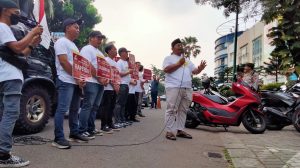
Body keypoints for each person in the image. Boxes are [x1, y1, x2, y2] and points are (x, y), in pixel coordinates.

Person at [0, 0, 43, 167]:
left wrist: (32, 44)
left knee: (4, 115)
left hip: (6, 76)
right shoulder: (3, 27)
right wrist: (32, 33)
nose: (18, 17)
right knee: (10, 114)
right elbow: (18, 48)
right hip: (9, 77)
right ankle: (3, 155)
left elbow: (20, 56)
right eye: (16, 13)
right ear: (5, 11)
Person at [52, 18, 89, 149]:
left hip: (75, 82)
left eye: (78, 28)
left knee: (74, 109)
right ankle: (58, 138)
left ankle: (74, 133)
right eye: (75, 27)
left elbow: (77, 66)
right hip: (65, 80)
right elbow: (63, 62)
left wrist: (81, 79)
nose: (78, 30)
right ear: (67, 28)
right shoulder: (61, 42)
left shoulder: (73, 45)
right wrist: (77, 77)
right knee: (62, 109)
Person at [163, 38, 206, 141]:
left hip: (187, 88)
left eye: (181, 45)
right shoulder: (168, 58)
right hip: (174, 87)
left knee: (183, 110)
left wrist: (200, 68)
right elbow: (166, 69)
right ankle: (169, 131)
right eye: (178, 45)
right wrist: (178, 64)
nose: (180, 47)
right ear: (172, 48)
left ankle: (180, 130)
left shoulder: (187, 60)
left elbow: (195, 71)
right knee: (172, 109)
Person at [78, 31, 108, 138]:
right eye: (98, 38)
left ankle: (90, 128)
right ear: (91, 38)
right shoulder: (87, 49)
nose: (100, 40)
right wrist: (100, 78)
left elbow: (104, 69)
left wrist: (105, 79)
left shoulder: (99, 52)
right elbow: (87, 65)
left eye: (101, 38)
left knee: (95, 107)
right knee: (88, 106)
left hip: (99, 83)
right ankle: (81, 129)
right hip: (91, 81)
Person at [101, 44, 121, 132]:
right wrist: (114, 85)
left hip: (114, 88)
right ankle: (103, 125)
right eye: (114, 49)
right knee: (106, 107)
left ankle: (110, 123)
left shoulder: (115, 63)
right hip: (107, 88)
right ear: (109, 51)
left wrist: (118, 85)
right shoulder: (105, 60)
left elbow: (117, 76)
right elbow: (105, 74)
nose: (116, 51)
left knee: (112, 106)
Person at [113, 47, 132, 127]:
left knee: (123, 104)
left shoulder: (126, 63)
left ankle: (122, 119)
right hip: (122, 84)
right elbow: (119, 74)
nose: (127, 53)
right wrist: (128, 72)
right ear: (121, 53)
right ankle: (117, 121)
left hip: (126, 84)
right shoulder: (119, 62)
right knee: (119, 103)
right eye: (126, 52)